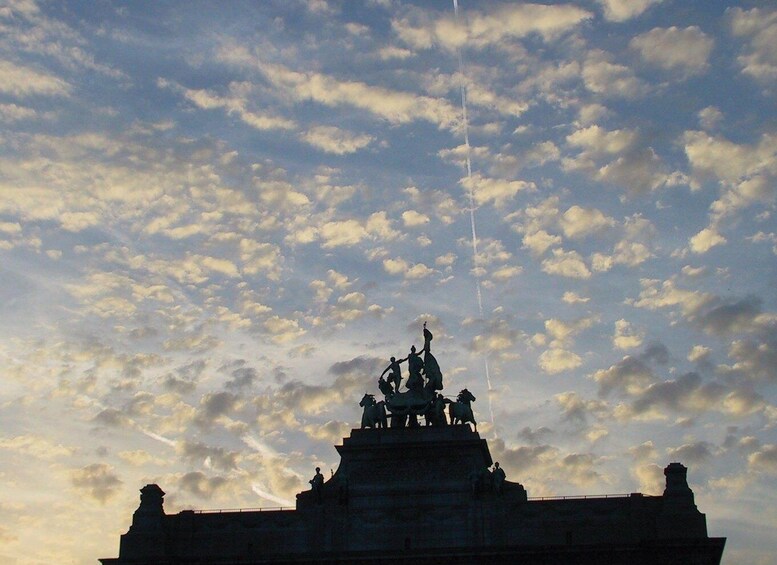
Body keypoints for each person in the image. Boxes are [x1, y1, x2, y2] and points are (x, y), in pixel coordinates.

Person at [421, 322, 443, 391]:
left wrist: (424, 330)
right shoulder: (427, 341)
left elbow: (426, 347)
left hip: (427, 353)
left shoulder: (427, 341)